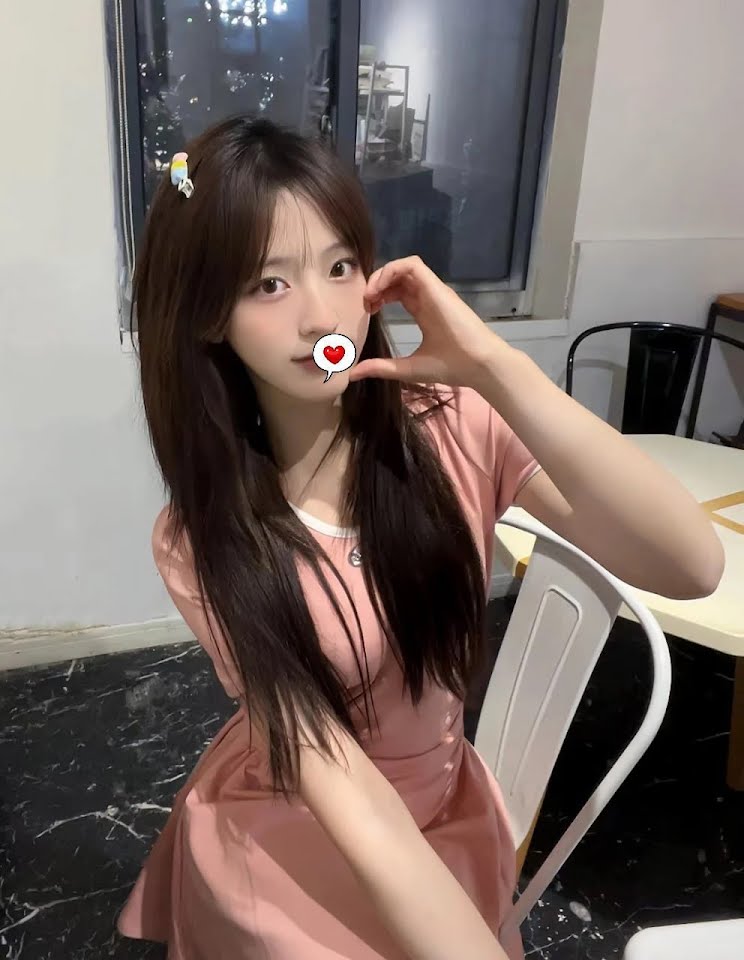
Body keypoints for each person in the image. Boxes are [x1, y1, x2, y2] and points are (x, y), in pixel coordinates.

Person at [116, 116, 724, 960]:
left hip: (443, 814)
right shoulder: (199, 538)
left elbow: (691, 564)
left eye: (340, 266)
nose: (323, 316)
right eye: (269, 284)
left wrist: (494, 367)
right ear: (211, 314)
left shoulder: (451, 428)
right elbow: (336, 779)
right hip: (294, 830)